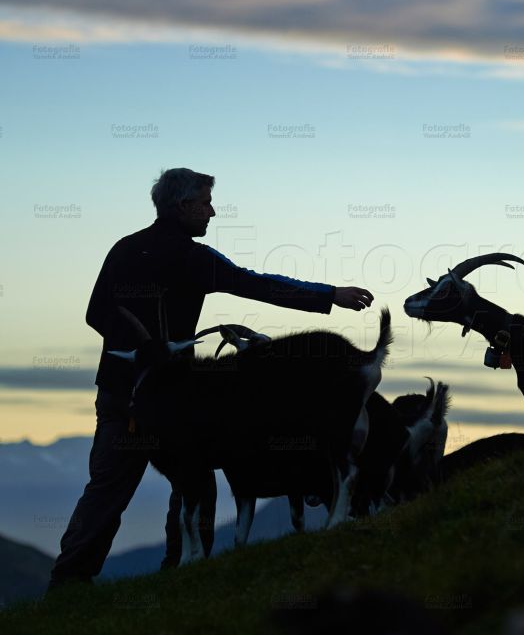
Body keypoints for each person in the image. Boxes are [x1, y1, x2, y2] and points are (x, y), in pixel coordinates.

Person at [47, 168, 373, 589]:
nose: (212, 212)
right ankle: (184, 571)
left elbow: (95, 315)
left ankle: (69, 581)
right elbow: (257, 285)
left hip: (120, 394)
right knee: (194, 477)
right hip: (178, 400)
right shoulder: (193, 258)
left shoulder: (124, 249)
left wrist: (139, 349)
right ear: (182, 206)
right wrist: (330, 295)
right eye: (204, 203)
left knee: (107, 489)